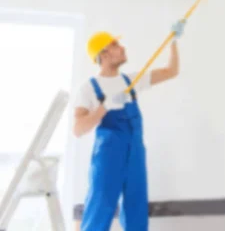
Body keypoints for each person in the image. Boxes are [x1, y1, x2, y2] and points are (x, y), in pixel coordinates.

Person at [73, 20, 186, 231]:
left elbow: (171, 71)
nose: (122, 47)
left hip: (135, 153)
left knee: (136, 210)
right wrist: (103, 107)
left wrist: (173, 41)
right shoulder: (88, 88)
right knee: (100, 208)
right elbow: (78, 129)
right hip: (108, 157)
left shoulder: (131, 81)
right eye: (115, 45)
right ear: (103, 54)